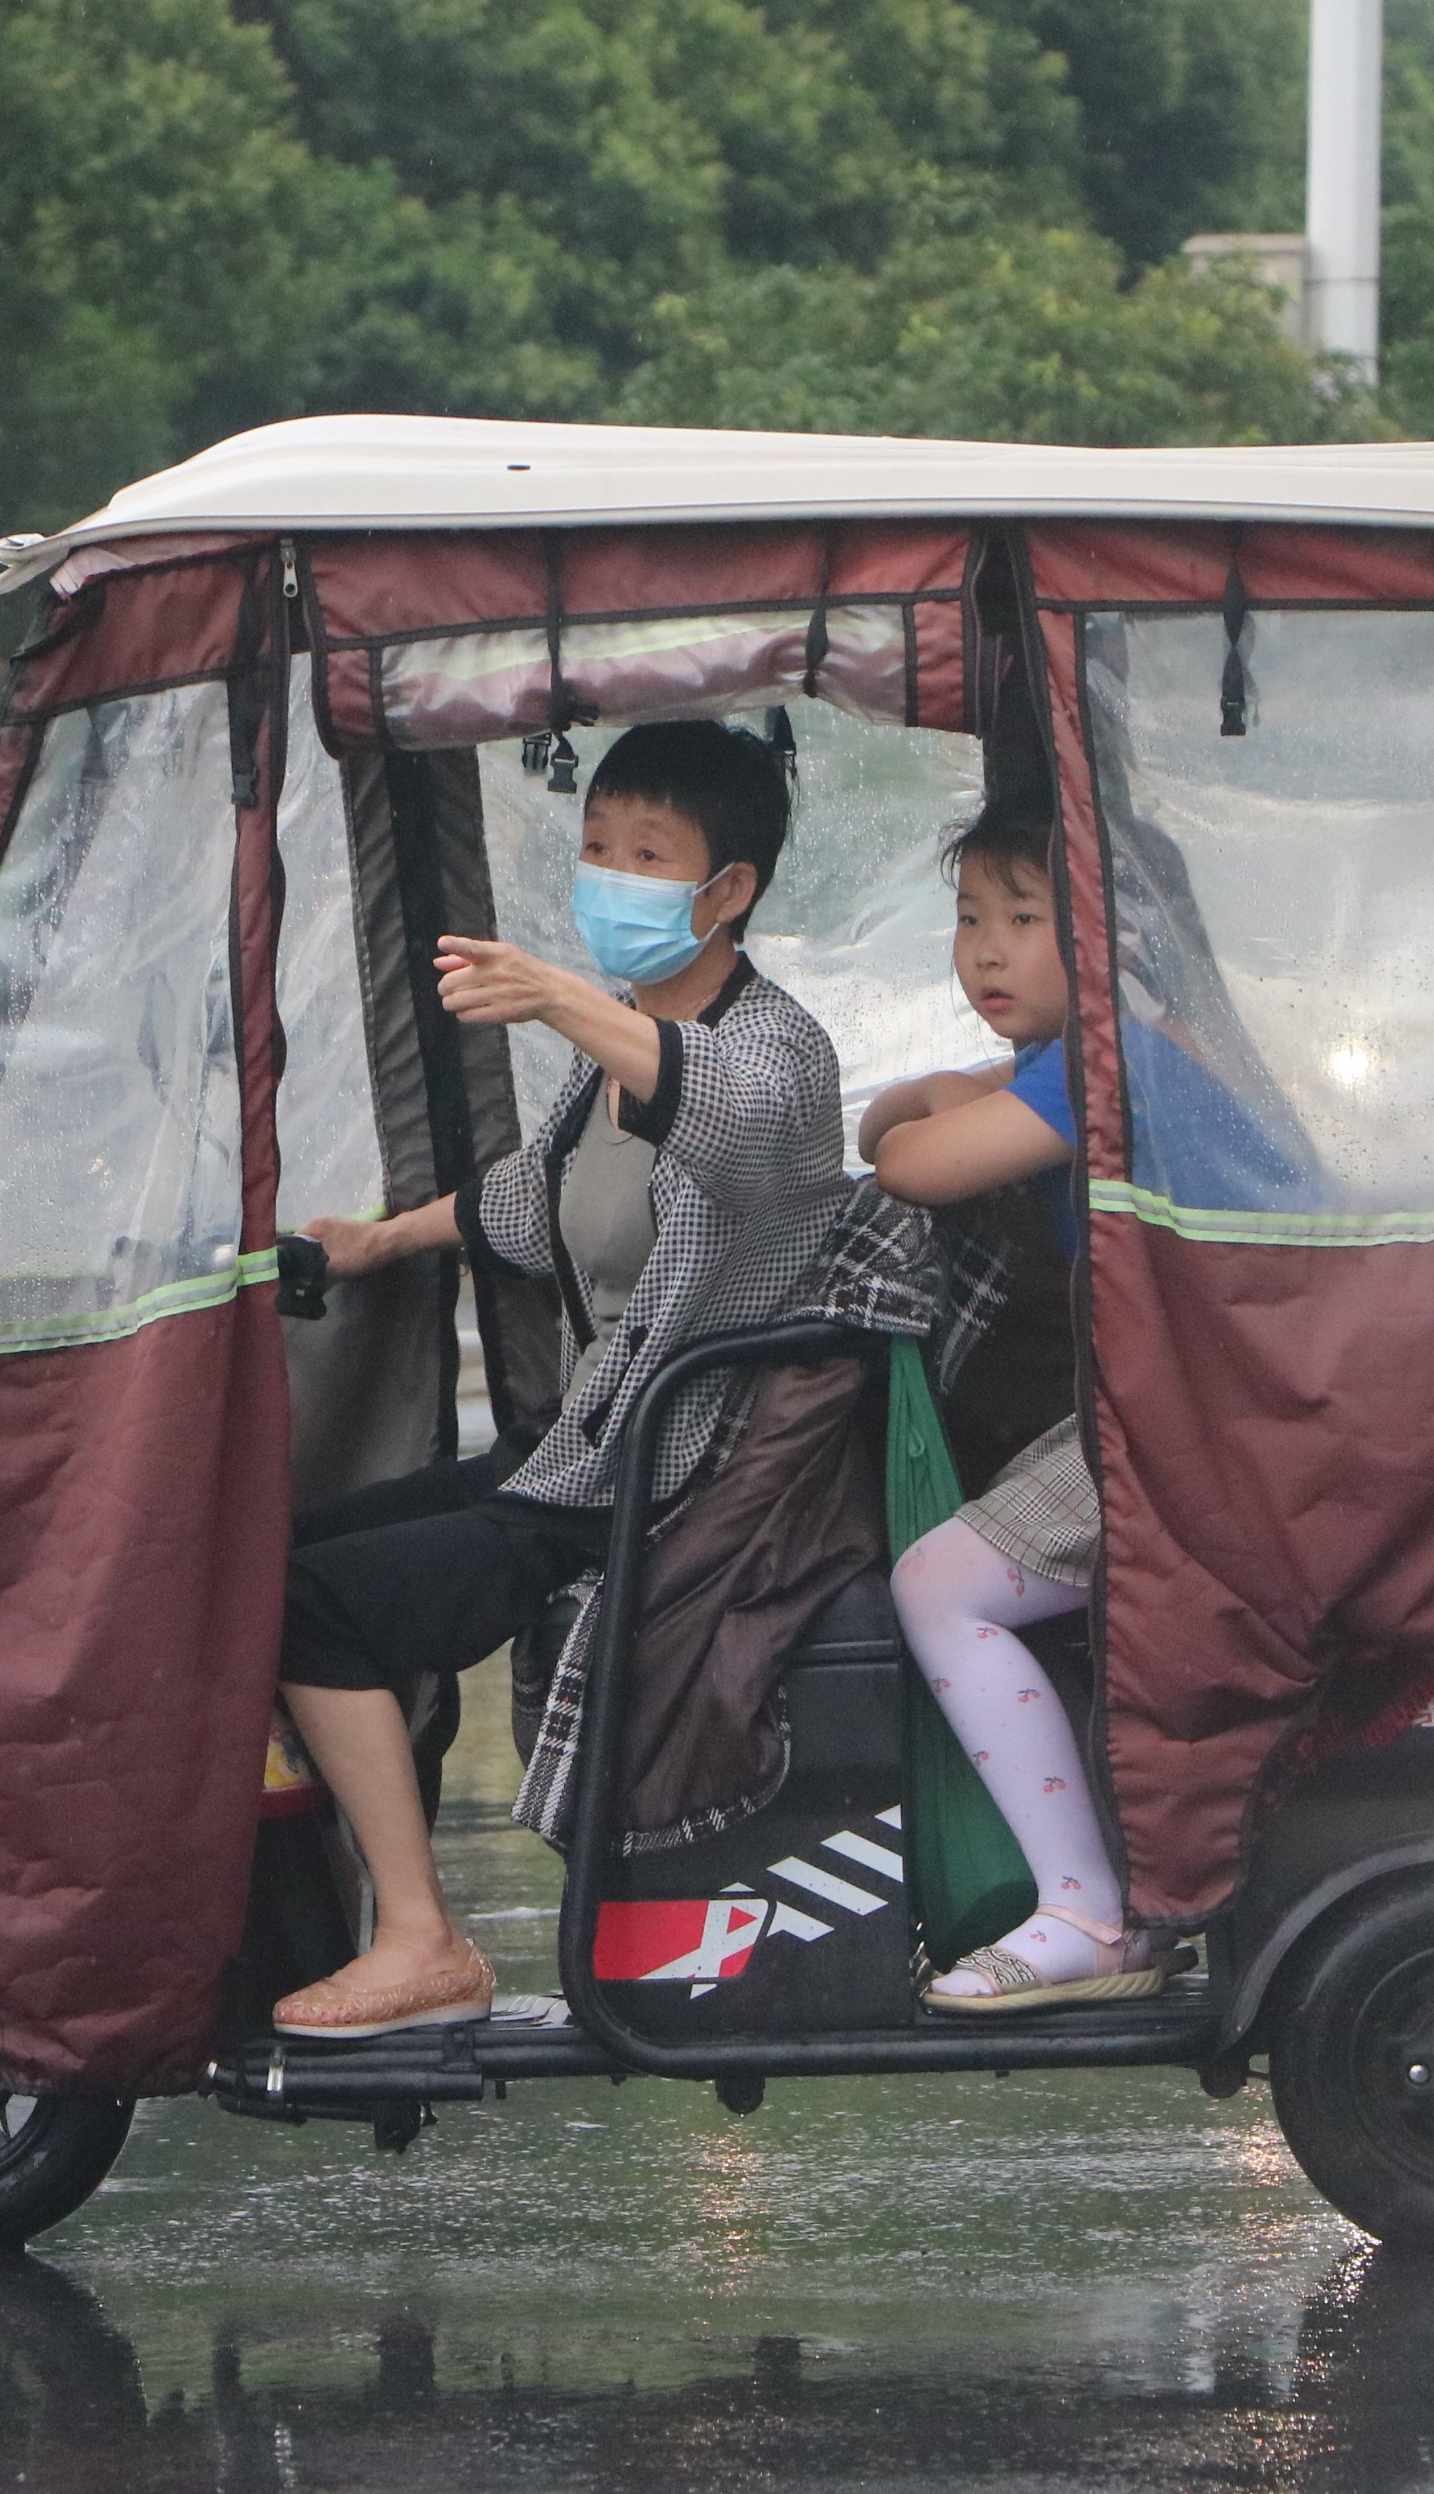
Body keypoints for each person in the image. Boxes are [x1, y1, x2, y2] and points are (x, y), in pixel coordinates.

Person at [278, 719, 850, 2037]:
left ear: (731, 890)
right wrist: (374, 1237)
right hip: (583, 1446)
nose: (609, 876)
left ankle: (421, 1937)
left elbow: (728, 1116)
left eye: (647, 855)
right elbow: (532, 1207)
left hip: (664, 1474)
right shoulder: (623, 1048)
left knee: (314, 1605)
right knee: (280, 1553)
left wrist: (553, 997)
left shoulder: (771, 1050)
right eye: (595, 846)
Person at [857, 803, 1167, 2013]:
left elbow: (907, 1161)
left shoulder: (1108, 1060)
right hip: (1192, 1393)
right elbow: (902, 1119)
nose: (982, 951)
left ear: (1109, 935)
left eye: (1021, 921)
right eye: (966, 920)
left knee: (944, 1582)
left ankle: (1087, 1913)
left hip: (1194, 1418)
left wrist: (931, 1097)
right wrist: (942, 1088)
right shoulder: (1107, 1048)